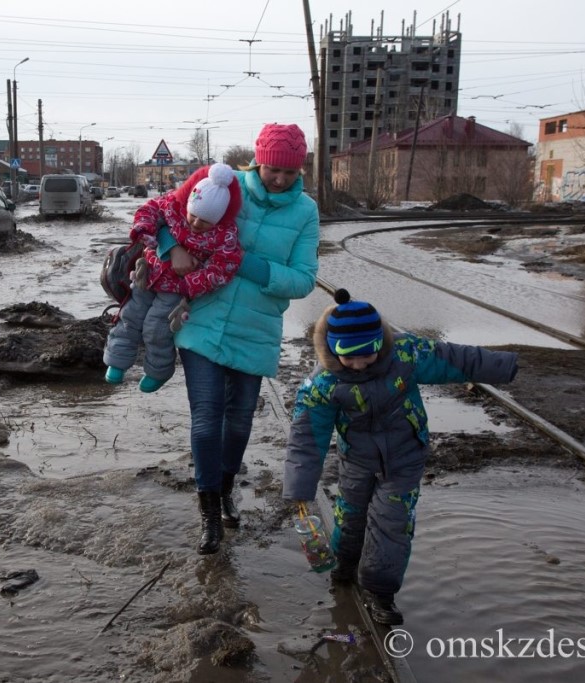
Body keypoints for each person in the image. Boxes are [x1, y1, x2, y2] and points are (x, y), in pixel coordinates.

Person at [282, 289, 519, 625]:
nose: (360, 363)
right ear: (334, 350)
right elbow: (306, 438)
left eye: (368, 354)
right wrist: (300, 488)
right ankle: (344, 568)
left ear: (380, 343)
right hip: (357, 461)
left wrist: (504, 364)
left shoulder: (405, 355)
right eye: (350, 357)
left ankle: (380, 592)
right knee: (351, 518)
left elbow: (454, 359)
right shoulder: (323, 384)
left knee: (392, 522)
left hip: (404, 457)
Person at [157, 123, 320, 554]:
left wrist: (242, 263)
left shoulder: (305, 212)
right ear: (257, 162)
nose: (279, 179)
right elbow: (164, 213)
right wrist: (169, 248)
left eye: (288, 172)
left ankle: (226, 485)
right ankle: (209, 510)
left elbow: (304, 280)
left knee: (240, 420)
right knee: (207, 418)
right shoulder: (225, 186)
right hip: (203, 319)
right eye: (272, 170)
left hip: (257, 329)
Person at [103, 163, 242, 393]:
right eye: (193, 216)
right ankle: (116, 362)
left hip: (175, 289)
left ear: (218, 219)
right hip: (146, 276)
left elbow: (224, 268)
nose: (196, 224)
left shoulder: (225, 235)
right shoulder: (173, 205)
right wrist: (145, 230)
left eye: (205, 221)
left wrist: (190, 284)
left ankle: (158, 372)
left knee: (156, 328)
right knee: (130, 316)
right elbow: (148, 210)